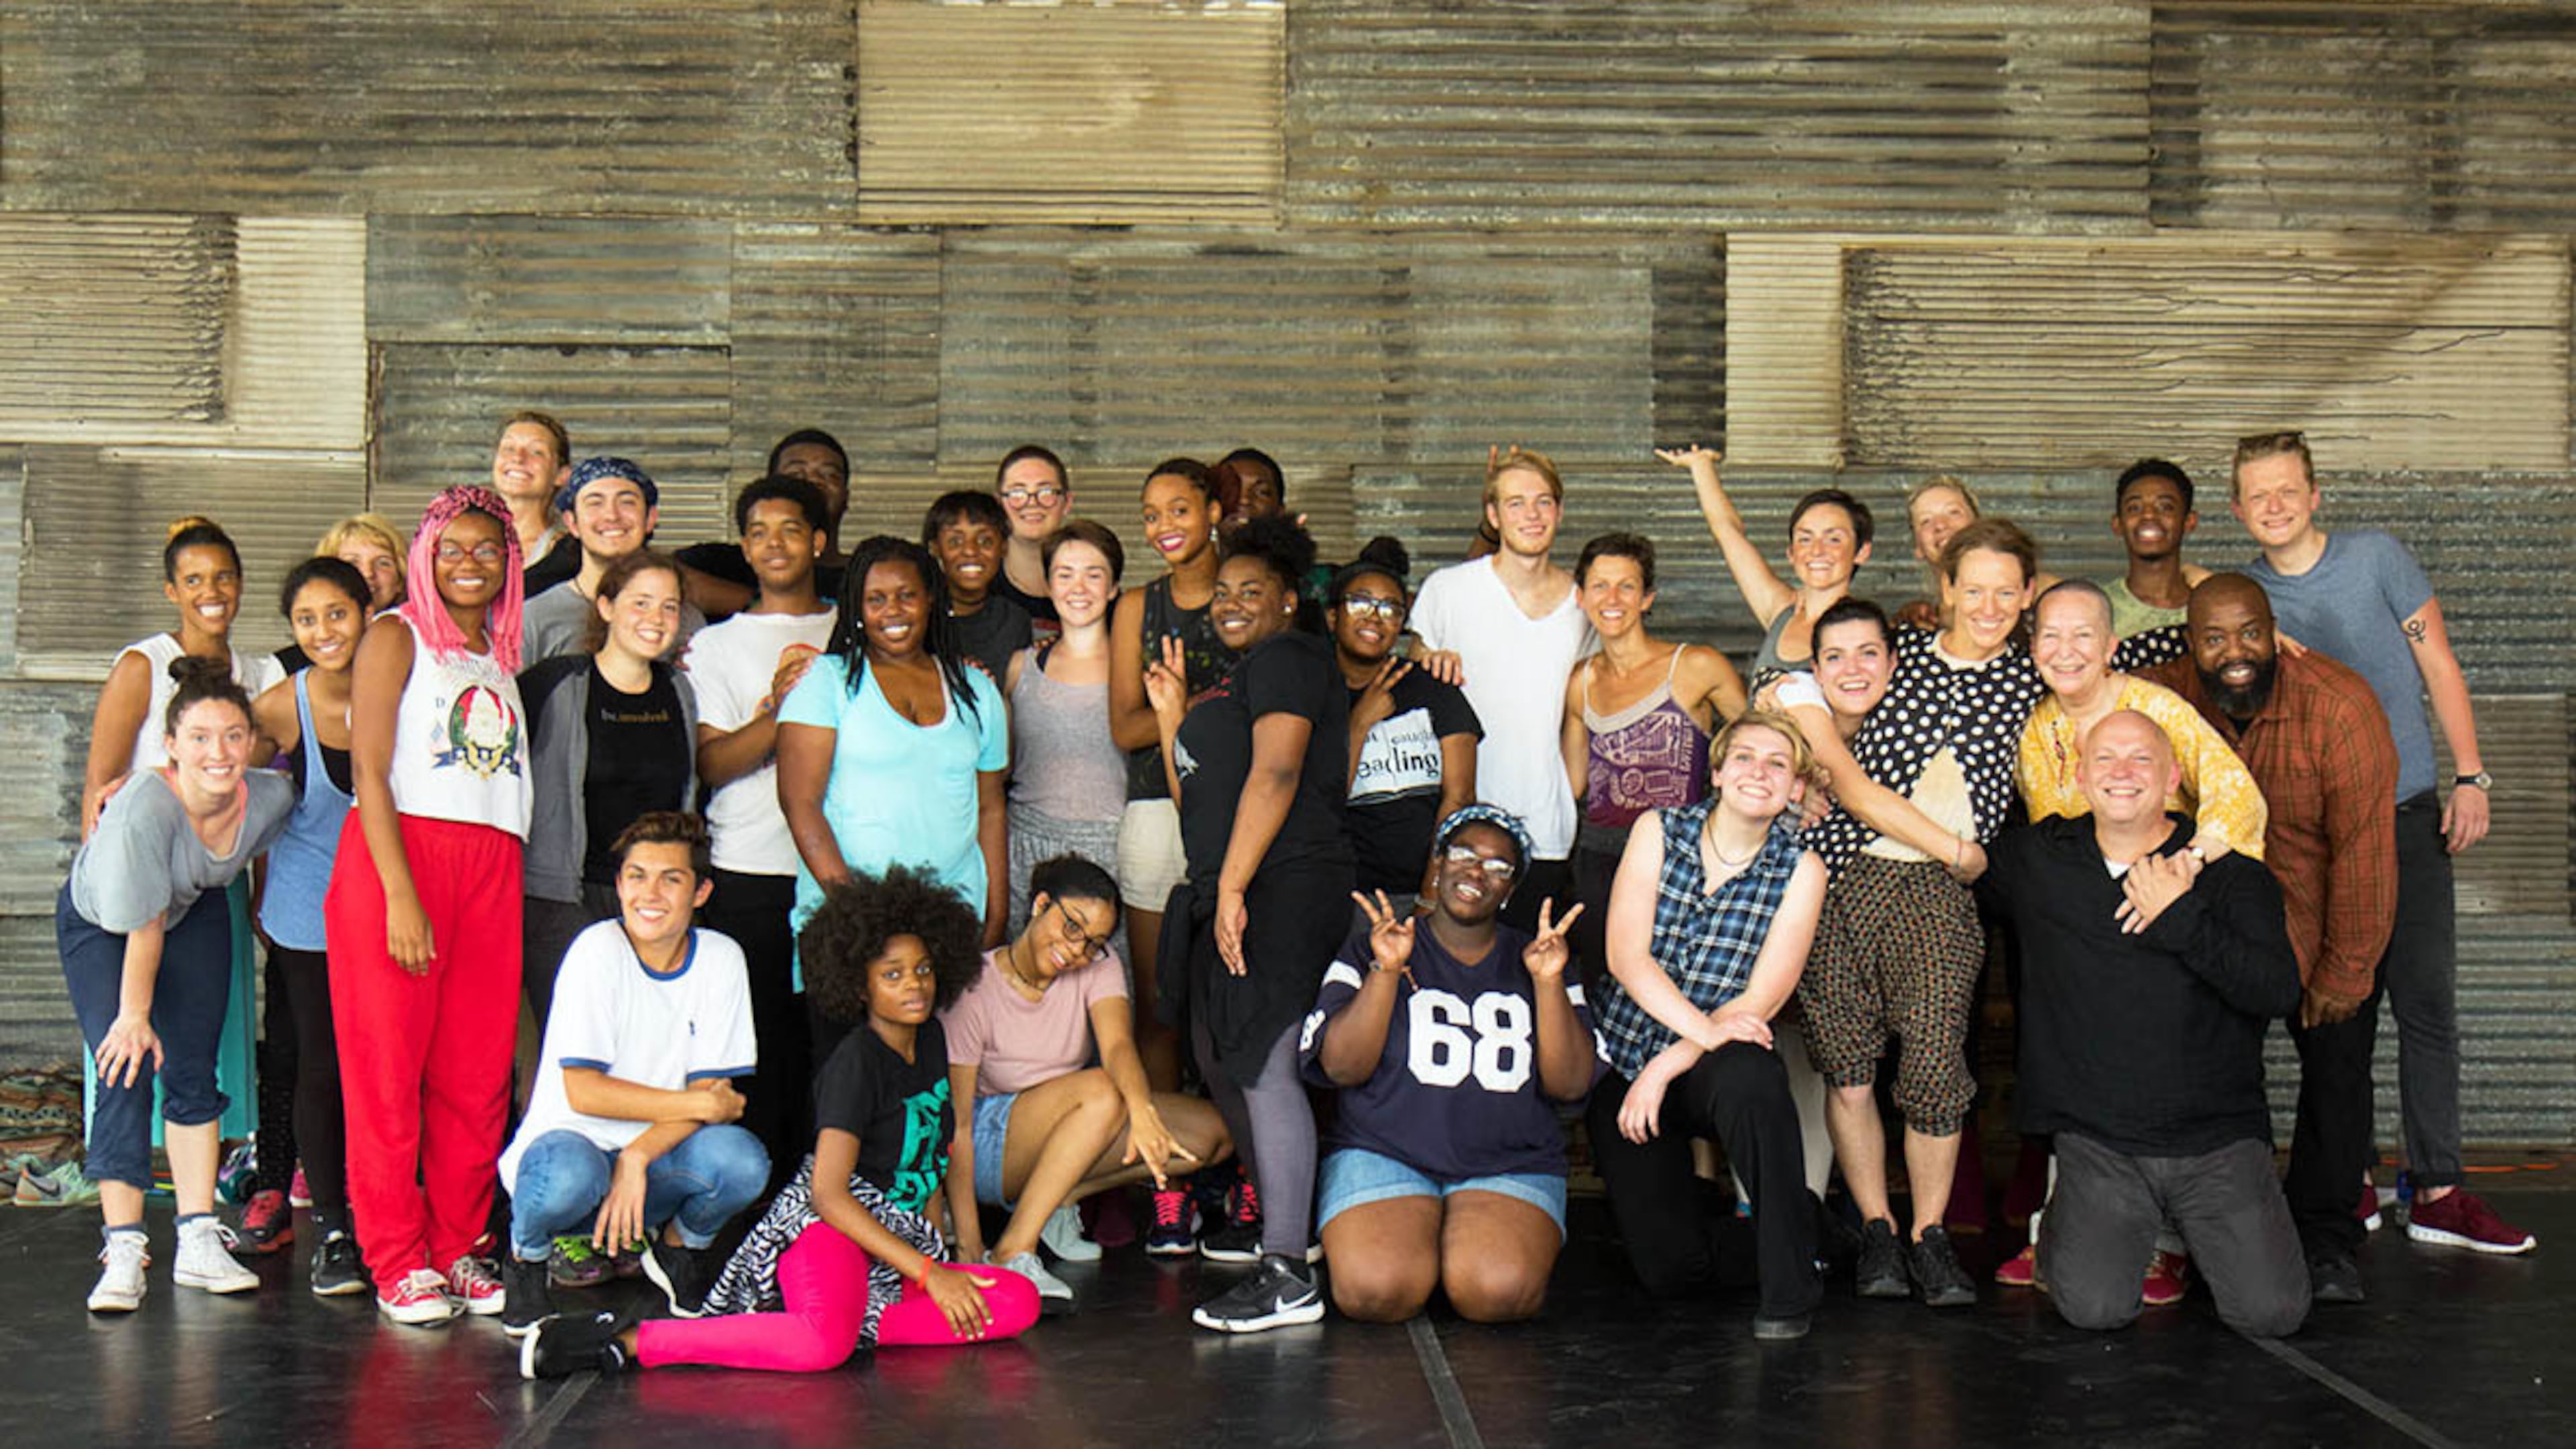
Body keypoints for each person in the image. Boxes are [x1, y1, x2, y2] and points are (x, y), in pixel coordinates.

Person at [519, 867, 1039, 1378]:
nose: (915, 987)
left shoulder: (931, 1042)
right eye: (893, 974)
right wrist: (930, 1274)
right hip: (828, 1234)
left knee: (1017, 1300)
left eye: (923, 970)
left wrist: (943, 1253)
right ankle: (630, 1341)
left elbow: (931, 1161)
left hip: (893, 1249)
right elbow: (828, 1196)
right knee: (821, 1347)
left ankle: (829, 1322)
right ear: (860, 986)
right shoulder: (856, 1064)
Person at [2233, 431, 2532, 1254]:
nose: (2275, 505)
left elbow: (2439, 665)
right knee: (2338, 1012)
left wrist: (2471, 777)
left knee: (2426, 1001)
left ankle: (2437, 1187)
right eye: (2257, 495)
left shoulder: (2377, 558)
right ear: (2237, 509)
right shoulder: (2241, 599)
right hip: (2313, 836)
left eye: (2288, 489)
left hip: (2405, 811)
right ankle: (2348, 1180)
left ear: (2315, 492)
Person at [1978, 711, 2310, 1337]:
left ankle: (2186, 1244)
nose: (2122, 774)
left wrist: (2180, 914)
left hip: (2216, 1140)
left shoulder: (2232, 878)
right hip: (2101, 1142)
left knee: (2273, 1314)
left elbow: (2276, 990)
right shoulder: (2037, 860)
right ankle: (2062, 1227)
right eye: (2105, 759)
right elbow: (1953, 859)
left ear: (2172, 778)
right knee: (2095, 1309)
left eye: (2141, 760)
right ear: (2078, 776)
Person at [2142, 574, 2400, 1303]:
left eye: (2250, 632)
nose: (2236, 653)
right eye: (2214, 638)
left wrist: (2345, 974)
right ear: (2189, 643)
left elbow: (2364, 853)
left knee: (2338, 1070)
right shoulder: (2161, 698)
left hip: (2321, 917)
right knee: (2205, 1067)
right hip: (2216, 928)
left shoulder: (2339, 706)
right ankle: (2204, 1229)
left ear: (2274, 627)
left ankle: (2324, 1238)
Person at [326, 485, 533, 1325]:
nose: (471, 564)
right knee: (386, 1071)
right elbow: (368, 770)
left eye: (490, 549)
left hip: (492, 866)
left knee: (476, 1072)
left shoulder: (502, 657)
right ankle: (397, 1258)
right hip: (402, 858)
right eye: (454, 549)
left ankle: (458, 1244)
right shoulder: (395, 635)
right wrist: (401, 896)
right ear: (425, 556)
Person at [1144, 516, 1353, 1332]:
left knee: (1264, 1060)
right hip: (1222, 887)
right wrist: (1169, 717)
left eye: (1251, 591)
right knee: (1220, 1061)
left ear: (1290, 601)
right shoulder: (1228, 685)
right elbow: (1197, 790)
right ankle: (1284, 1231)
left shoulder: (1292, 658)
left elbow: (1278, 771)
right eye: (1221, 593)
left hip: (1284, 883)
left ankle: (1287, 1266)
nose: (1230, 604)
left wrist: (1233, 888)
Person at [63, 657, 296, 1311]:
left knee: (194, 1069)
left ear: (252, 742)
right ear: (170, 746)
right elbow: (143, 924)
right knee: (126, 1065)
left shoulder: (271, 795)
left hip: (190, 911)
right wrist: (134, 1014)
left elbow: (310, 819)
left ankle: (197, 1239)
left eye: (232, 736)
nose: (217, 752)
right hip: (105, 925)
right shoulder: (144, 806)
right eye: (198, 737)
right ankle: (125, 1247)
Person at [1587, 710, 1827, 1340]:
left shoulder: (1801, 870)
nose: (1760, 772)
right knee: (1671, 1270)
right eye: (1745, 757)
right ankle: (1811, 1228)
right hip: (1627, 1062)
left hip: (1705, 1064)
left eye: (1779, 764)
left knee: (1752, 1073)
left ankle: (1787, 1290)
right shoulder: (1658, 830)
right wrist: (1654, 1065)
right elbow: (1626, 959)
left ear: (1796, 789)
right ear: (1717, 772)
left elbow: (1761, 1000)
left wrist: (1670, 1064)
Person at [1304, 806, 1595, 1325]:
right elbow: (1343, 1068)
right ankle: (1417, 1244)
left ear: (1510, 891)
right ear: (1437, 867)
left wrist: (1549, 982)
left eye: (1499, 867)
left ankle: (1453, 1247)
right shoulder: (1374, 944)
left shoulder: (1540, 957)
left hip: (1508, 1160)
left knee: (1496, 1293)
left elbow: (1570, 1084)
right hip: (1384, 1150)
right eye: (1463, 854)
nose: (1477, 871)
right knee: (1376, 1291)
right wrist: (1386, 971)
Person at [497, 813, 769, 1338]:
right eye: (637, 876)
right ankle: (527, 1259)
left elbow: (714, 1096)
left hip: (657, 1161)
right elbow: (585, 1091)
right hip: (574, 1153)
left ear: (702, 891)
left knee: (742, 1161)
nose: (652, 893)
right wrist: (699, 1107)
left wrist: (639, 1156)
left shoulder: (721, 958)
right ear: (619, 885)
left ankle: (675, 1253)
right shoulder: (597, 950)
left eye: (672, 879)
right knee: (568, 1177)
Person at [943, 854, 1232, 1309]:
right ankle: (1013, 1251)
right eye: (1072, 927)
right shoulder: (975, 987)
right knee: (1101, 1091)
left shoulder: (1099, 965)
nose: (1077, 951)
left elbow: (1118, 1047)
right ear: (1040, 905)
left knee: (1212, 1135)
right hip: (988, 1141)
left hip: (1074, 1122)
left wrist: (1143, 1112)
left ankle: (1056, 1200)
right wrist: (968, 1246)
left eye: (1093, 942)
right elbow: (955, 1126)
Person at [80, 519, 284, 1153]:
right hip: (139, 878)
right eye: (194, 579)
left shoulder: (266, 672)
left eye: (224, 576)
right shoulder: (145, 665)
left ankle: (207, 1166)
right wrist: (106, 892)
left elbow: (266, 795)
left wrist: (260, 892)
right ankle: (129, 1167)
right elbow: (100, 787)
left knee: (204, 1035)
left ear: (242, 583)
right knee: (128, 1025)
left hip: (213, 873)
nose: (211, 591)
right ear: (172, 590)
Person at [778, 535, 1012, 1030]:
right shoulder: (827, 680)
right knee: (852, 1085)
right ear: (857, 609)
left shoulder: (978, 691)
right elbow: (801, 804)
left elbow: (991, 807)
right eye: (876, 599)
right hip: (847, 924)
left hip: (952, 921)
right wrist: (858, 914)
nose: (893, 611)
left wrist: (996, 909)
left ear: (931, 598)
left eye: (907, 595)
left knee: (942, 1085)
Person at [683, 474, 839, 1183]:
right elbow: (713, 761)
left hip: (840, 868)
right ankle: (765, 1211)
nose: (774, 544)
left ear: (820, 541)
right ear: (744, 548)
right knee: (764, 1050)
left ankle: (833, 1205)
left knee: (835, 1051)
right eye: (758, 532)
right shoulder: (717, 646)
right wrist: (781, 712)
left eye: (790, 530)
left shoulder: (852, 629)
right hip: (750, 870)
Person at [243, 558, 372, 1288]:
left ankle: (392, 1212)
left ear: (368, 612)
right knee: (322, 1065)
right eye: (306, 619)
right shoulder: (279, 706)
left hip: (391, 912)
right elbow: (221, 770)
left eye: (338, 613)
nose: (325, 631)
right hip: (309, 913)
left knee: (384, 1068)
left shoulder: (401, 687)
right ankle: (332, 1228)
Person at [1408, 445, 1595, 934]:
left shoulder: (1586, 604)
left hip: (1547, 828)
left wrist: (1571, 787)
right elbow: (1404, 688)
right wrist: (1428, 664)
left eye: (1543, 502)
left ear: (1560, 510)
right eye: (1515, 503)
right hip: (1456, 820)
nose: (1531, 516)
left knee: (1526, 975)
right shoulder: (1447, 591)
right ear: (1492, 515)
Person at [517, 549, 701, 1034]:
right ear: (606, 607)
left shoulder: (679, 690)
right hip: (564, 898)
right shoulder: (554, 684)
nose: (656, 618)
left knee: (646, 1041)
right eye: (641, 603)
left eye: (669, 607)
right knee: (576, 1042)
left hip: (652, 898)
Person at [1561, 532, 1744, 987]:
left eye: (1627, 586)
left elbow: (1760, 742)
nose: (1613, 599)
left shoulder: (1696, 665)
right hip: (1599, 857)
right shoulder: (1580, 681)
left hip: (1679, 855)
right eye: (1600, 586)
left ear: (1647, 599)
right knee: (1604, 982)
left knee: (1678, 982)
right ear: (1581, 597)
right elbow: (1574, 784)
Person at [1106, 459, 1230, 1092]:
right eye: (1151, 516)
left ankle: (1239, 1165)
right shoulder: (1137, 607)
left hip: (1241, 814)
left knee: (1233, 1003)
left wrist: (1179, 711)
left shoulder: (1248, 598)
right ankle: (1169, 1182)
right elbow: (1125, 728)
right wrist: (1175, 715)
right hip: (1156, 813)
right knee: (1160, 1008)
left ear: (1214, 513)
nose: (1163, 527)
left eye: (1178, 510)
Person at [2019, 578, 2267, 863]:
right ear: (2034, 649)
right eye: (2051, 636)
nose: (2065, 651)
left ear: (2110, 647)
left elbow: (2240, 797)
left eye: (2083, 635)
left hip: (2162, 889)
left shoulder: (2158, 709)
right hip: (2074, 895)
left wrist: (2189, 861)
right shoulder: (2029, 723)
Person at [1332, 540, 1480, 915]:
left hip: (1422, 893)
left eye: (1390, 608)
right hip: (1341, 895)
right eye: (1360, 603)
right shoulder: (1313, 693)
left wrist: (1430, 896)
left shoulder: (1433, 688)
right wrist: (1360, 723)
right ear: (1333, 616)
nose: (1374, 616)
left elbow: (1459, 797)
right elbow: (1320, 802)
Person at [1004, 520, 1129, 943]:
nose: (1079, 587)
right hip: (1027, 846)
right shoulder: (1021, 666)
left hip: (1110, 850)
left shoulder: (1137, 673)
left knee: (1106, 989)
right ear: (1048, 584)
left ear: (1114, 588)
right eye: (1065, 574)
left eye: (1094, 575)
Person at [1662, 445, 1874, 682]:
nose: (1817, 550)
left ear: (1861, 552)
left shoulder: (1863, 628)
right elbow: (1728, 532)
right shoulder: (1781, 610)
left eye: (1834, 539)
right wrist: (1701, 466)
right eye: (1805, 538)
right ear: (1791, 553)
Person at [521, 457, 707, 662]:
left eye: (627, 502)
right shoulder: (533, 618)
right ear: (572, 522)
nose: (611, 515)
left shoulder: (685, 621)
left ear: (650, 518)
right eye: (595, 503)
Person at [678, 429, 853, 618]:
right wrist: (755, 603)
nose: (813, 481)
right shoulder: (723, 563)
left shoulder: (868, 573)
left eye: (829, 475)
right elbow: (656, 574)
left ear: (846, 497)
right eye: (796, 473)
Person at [923, 490, 1034, 683]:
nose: (970, 551)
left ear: (1004, 548)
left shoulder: (1014, 620)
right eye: (955, 541)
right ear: (935, 548)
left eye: (985, 541)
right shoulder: (920, 617)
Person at [2105, 459, 2213, 639]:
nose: (2148, 515)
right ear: (2118, 524)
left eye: (2165, 507)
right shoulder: (2099, 608)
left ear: (2189, 521)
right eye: (2134, 508)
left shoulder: (2215, 608)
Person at [491, 410, 580, 594]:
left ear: (561, 475)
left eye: (536, 452)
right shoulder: (464, 542)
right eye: (509, 449)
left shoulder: (572, 557)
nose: (518, 458)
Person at [991, 445, 1073, 630]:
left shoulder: (1092, 584)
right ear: (998, 505)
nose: (1032, 503)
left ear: (1067, 502)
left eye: (1046, 492)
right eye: (1017, 494)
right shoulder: (979, 587)